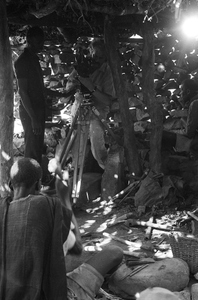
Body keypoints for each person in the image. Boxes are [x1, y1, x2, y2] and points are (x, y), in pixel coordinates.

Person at [0, 157, 123, 299]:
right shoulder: (49, 207)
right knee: (114, 252)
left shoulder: (3, 208)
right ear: (38, 185)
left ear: (10, 183)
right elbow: (77, 248)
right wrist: (65, 198)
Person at [14, 26, 75, 167]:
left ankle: (35, 181)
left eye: (42, 42)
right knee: (32, 149)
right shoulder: (22, 62)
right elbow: (23, 92)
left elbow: (40, 88)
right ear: (29, 41)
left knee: (37, 147)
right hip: (30, 112)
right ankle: (29, 182)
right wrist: (33, 118)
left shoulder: (33, 58)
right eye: (37, 42)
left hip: (37, 110)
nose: (41, 45)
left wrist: (61, 94)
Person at [68, 38, 116, 170]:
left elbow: (107, 100)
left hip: (97, 110)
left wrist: (91, 87)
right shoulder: (83, 64)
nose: (96, 60)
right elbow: (68, 86)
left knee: (96, 137)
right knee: (75, 138)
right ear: (90, 52)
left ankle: (106, 169)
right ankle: (76, 168)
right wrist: (76, 83)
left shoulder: (107, 72)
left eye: (101, 58)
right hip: (80, 106)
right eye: (94, 56)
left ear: (106, 57)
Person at [162, 78, 198, 157]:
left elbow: (189, 133)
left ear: (188, 92)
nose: (180, 93)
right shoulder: (194, 102)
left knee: (162, 136)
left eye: (182, 90)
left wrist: (172, 131)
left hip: (195, 143)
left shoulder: (195, 104)